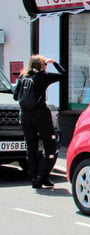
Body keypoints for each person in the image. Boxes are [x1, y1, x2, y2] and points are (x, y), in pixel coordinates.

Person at [13, 55, 66, 189]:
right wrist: (54, 63)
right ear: (42, 65)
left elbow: (15, 96)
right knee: (50, 145)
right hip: (41, 115)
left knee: (31, 148)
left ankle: (34, 178)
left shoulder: (22, 78)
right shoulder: (43, 76)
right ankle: (41, 176)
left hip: (25, 116)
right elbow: (63, 74)